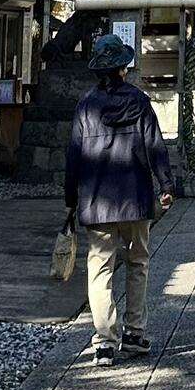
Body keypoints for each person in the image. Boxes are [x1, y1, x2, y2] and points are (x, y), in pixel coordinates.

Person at [64, 30, 174, 365]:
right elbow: (155, 145)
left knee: (99, 269)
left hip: (96, 200)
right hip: (135, 197)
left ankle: (104, 341)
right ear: (122, 68)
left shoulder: (86, 107)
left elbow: (74, 157)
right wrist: (166, 184)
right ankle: (135, 331)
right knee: (137, 262)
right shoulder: (139, 102)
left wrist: (71, 200)